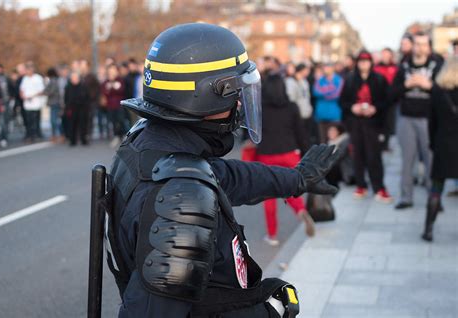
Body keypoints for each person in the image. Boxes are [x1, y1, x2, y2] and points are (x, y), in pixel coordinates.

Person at [104, 23, 341, 318]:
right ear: (209, 94)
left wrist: (297, 179)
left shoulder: (154, 145)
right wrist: (268, 312)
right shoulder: (181, 198)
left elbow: (224, 176)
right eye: (236, 91)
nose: (240, 102)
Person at [258, 58, 314, 244]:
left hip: (267, 154)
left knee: (269, 196)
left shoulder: (260, 109)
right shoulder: (292, 107)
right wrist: (306, 154)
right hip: (290, 152)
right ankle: (300, 210)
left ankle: (272, 234)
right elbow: (301, 134)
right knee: (288, 188)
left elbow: (252, 134)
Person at [391, 32, 443, 210]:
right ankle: (406, 197)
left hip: (429, 119)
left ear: (429, 47)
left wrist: (429, 86)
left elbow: (446, 93)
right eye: (417, 44)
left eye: (424, 44)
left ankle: (434, 199)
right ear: (412, 46)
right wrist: (407, 85)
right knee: (407, 160)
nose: (420, 48)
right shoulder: (404, 66)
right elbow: (391, 94)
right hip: (407, 118)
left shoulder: (437, 66)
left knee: (431, 160)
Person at [340, 50, 392, 203]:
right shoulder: (350, 80)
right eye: (361, 61)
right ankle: (361, 185)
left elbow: (386, 101)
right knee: (357, 155)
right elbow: (342, 102)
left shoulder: (379, 79)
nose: (363, 64)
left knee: (374, 156)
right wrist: (352, 108)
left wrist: (374, 108)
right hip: (355, 123)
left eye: (366, 61)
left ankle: (379, 187)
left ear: (371, 63)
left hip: (373, 123)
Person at [421, 57, 458, 241]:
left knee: (436, 189)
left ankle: (428, 229)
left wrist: (433, 144)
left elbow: (431, 122)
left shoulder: (437, 90)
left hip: (444, 144)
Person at [374, 48, 398, 151]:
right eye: (383, 54)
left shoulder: (395, 68)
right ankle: (377, 143)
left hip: (391, 101)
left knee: (389, 123)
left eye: (387, 54)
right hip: (378, 100)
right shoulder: (376, 68)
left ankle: (385, 144)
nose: (385, 56)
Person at [313, 62, 343, 142]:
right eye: (324, 68)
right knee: (323, 141)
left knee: (335, 141)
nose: (325, 70)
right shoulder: (319, 80)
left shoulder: (339, 80)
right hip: (321, 115)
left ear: (332, 69)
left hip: (334, 115)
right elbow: (316, 92)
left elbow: (337, 94)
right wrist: (330, 90)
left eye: (327, 68)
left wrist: (324, 91)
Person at [101, 63, 128, 147]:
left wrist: (112, 87)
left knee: (121, 120)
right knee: (113, 121)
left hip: (119, 104)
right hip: (110, 105)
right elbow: (104, 92)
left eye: (113, 70)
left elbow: (121, 91)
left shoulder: (120, 80)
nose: (111, 72)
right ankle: (116, 136)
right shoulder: (106, 82)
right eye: (110, 71)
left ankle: (124, 135)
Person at [19, 62, 46, 142]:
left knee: (36, 120)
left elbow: (41, 91)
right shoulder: (25, 78)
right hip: (27, 104)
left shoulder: (38, 78)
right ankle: (29, 134)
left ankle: (37, 134)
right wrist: (23, 95)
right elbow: (22, 89)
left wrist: (32, 96)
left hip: (36, 103)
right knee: (28, 120)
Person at [64, 71, 90, 146]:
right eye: (73, 78)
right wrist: (67, 107)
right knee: (72, 125)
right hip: (72, 108)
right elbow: (66, 98)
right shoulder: (68, 87)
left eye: (75, 78)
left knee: (83, 125)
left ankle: (83, 139)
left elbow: (87, 97)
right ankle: (72, 140)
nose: (74, 80)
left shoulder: (83, 86)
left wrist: (86, 107)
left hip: (82, 108)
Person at [0, 63, 14, 147]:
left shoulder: (6, 78)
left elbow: (12, 89)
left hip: (4, 102)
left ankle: (3, 138)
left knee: (3, 121)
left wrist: (10, 98)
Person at [80, 59, 101, 141]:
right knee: (83, 118)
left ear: (87, 67)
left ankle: (88, 134)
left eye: (83, 65)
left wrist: (93, 96)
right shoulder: (80, 76)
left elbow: (97, 88)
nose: (82, 67)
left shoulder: (91, 77)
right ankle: (83, 133)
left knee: (89, 118)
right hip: (82, 102)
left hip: (90, 101)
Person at [44, 68, 62, 143]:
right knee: (55, 120)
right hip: (55, 102)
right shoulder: (56, 80)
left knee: (53, 120)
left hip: (54, 102)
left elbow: (50, 91)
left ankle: (57, 135)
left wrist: (44, 92)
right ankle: (57, 135)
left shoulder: (53, 81)